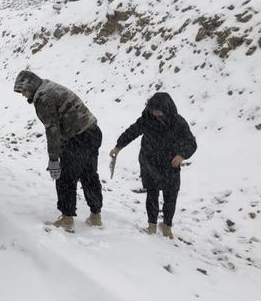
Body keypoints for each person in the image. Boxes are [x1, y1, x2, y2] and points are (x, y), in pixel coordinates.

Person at [14, 70, 103, 232]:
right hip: (93, 132)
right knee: (89, 175)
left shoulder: (43, 98)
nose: (24, 95)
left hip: (79, 138)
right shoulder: (49, 87)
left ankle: (67, 219)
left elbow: (52, 130)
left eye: (24, 91)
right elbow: (62, 124)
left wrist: (54, 159)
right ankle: (96, 216)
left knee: (65, 177)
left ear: (32, 86)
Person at [110, 92, 197, 238]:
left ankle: (167, 226)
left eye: (159, 111)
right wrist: (118, 147)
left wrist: (181, 155)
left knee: (170, 195)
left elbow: (191, 143)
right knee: (152, 193)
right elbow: (132, 132)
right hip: (148, 161)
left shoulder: (178, 122)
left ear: (167, 110)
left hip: (170, 164)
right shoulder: (146, 118)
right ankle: (151, 225)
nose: (155, 114)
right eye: (153, 110)